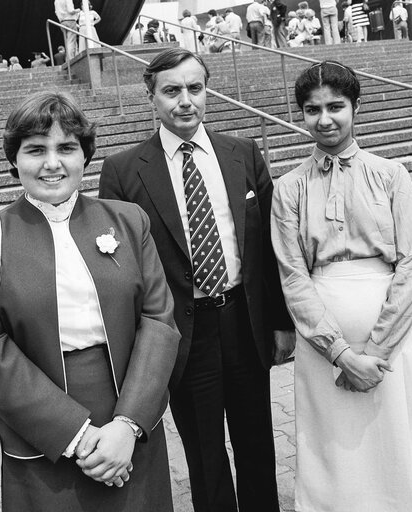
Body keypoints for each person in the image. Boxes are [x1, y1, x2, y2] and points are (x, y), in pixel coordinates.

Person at [0, 90, 180, 512]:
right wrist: (77, 435)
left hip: (127, 409)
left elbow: (159, 322)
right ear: (14, 160)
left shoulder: (128, 220)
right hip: (39, 423)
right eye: (36, 149)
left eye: (66, 148)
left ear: (85, 156)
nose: (52, 163)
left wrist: (126, 426)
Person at [99, 47, 295, 512]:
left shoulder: (242, 152)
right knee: (204, 452)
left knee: (256, 441)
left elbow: (268, 250)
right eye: (171, 91)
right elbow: (120, 270)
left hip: (243, 322)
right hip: (183, 334)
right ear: (151, 97)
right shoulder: (124, 170)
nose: (185, 100)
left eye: (194, 88)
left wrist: (281, 321)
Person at [271, 60, 412, 512]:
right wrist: (341, 353)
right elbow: (293, 274)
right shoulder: (288, 188)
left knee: (400, 440)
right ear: (300, 114)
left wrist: (375, 354)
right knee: (335, 449)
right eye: (312, 109)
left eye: (335, 106)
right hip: (324, 346)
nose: (324, 119)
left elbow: (411, 267)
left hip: (394, 343)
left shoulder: (391, 175)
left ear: (355, 107)